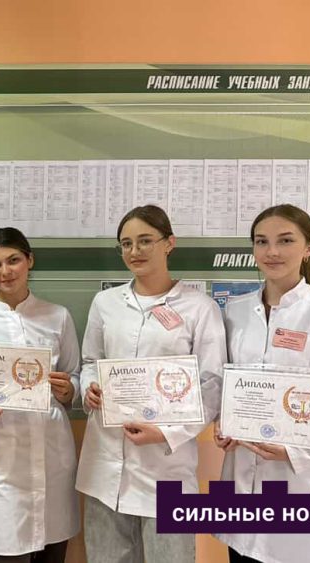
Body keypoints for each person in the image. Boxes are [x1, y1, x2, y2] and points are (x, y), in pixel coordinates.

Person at [214, 204, 310, 562]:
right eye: (262, 241)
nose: (272, 251)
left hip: (304, 487)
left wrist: (296, 451)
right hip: (242, 485)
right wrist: (225, 424)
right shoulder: (235, 312)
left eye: (285, 240)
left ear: (308, 248)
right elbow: (228, 386)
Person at [75, 205, 226, 563]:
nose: (135, 251)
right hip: (105, 469)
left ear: (169, 243)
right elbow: (90, 362)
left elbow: (212, 384)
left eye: (145, 241)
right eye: (126, 244)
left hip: (167, 470)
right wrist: (90, 388)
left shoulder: (199, 308)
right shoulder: (106, 303)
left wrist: (167, 433)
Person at [0, 227, 79, 562]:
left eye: (13, 260)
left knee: (52, 550)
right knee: (1, 551)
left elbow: (74, 375)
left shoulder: (57, 316)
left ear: (29, 260)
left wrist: (69, 389)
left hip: (51, 453)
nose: (5, 272)